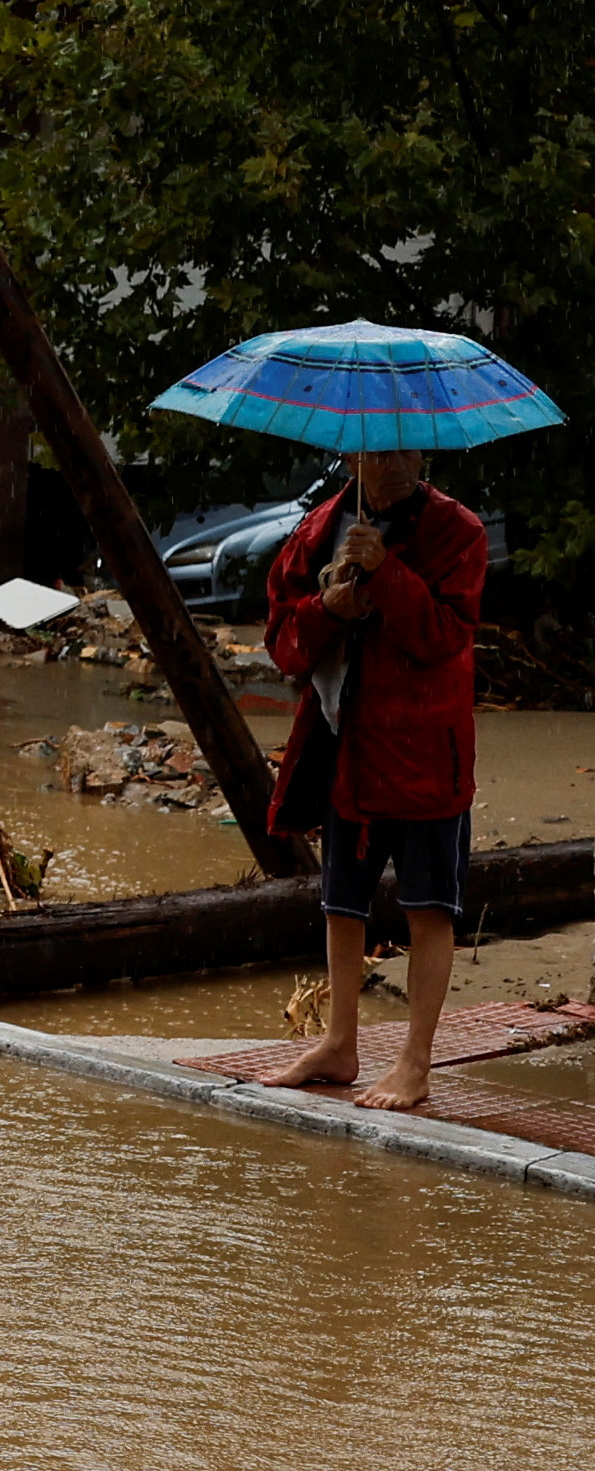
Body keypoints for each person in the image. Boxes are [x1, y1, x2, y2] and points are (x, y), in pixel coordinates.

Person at [259, 447, 488, 1111]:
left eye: (407, 451)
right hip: (345, 743)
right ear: (354, 456)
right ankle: (339, 1043)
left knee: (428, 908)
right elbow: (282, 641)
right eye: (380, 452)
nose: (396, 465)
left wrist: (386, 574)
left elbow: (444, 635)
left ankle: (414, 1062)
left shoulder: (457, 531)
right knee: (340, 903)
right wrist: (328, 607)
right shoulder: (316, 529)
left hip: (424, 753)